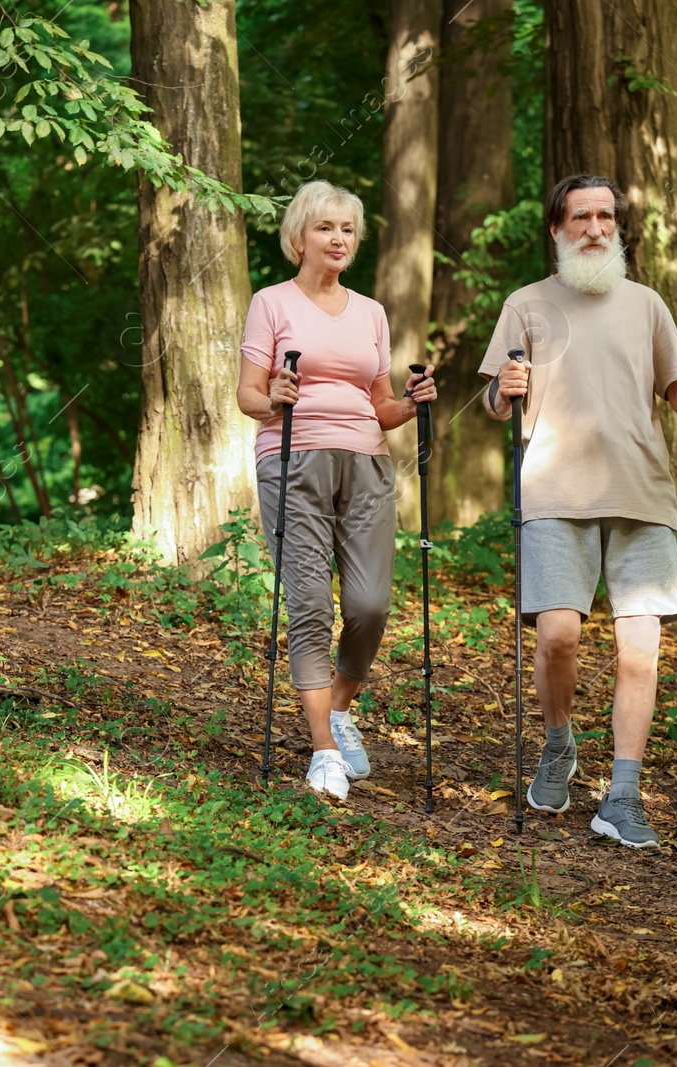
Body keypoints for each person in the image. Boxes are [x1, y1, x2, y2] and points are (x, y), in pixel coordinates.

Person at [480, 174, 677, 848]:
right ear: (556, 230)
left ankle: (623, 794)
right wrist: (504, 390)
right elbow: (496, 403)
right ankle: (559, 743)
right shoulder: (526, 304)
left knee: (641, 650)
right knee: (559, 631)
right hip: (554, 491)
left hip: (641, 492)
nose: (596, 228)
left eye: (606, 217)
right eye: (582, 217)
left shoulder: (648, 304)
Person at [236, 179, 436, 801]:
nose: (339, 238)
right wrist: (272, 397)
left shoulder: (371, 312)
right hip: (292, 457)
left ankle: (341, 706)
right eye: (327, 227)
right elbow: (246, 394)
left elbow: (380, 407)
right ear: (300, 237)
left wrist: (412, 403)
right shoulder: (271, 303)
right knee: (310, 606)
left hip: (368, 464)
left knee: (370, 604)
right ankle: (323, 748)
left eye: (348, 229)